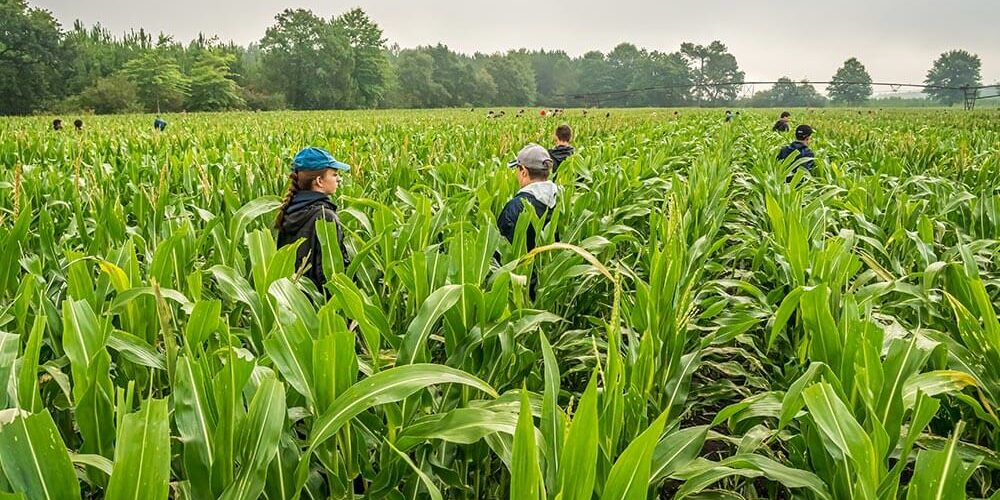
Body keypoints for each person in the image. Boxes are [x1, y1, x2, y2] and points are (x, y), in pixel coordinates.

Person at [275, 147, 351, 292]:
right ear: (319, 181)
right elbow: (331, 274)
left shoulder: (288, 211)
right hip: (317, 306)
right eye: (334, 174)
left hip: (290, 300)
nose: (339, 179)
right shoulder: (325, 217)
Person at [498, 144, 558, 254]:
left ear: (524, 172)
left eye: (517, 169)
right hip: (551, 269)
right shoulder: (558, 200)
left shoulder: (515, 207)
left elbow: (501, 251)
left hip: (518, 270)